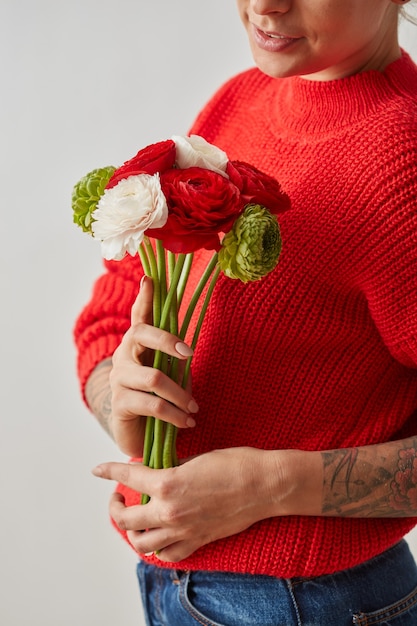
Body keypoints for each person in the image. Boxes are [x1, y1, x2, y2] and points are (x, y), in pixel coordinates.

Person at [74, 1, 417, 624]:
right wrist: (116, 400)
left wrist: (272, 486)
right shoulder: (241, 99)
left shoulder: (406, 165)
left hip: (309, 604)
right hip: (172, 587)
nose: (265, 4)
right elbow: (108, 312)